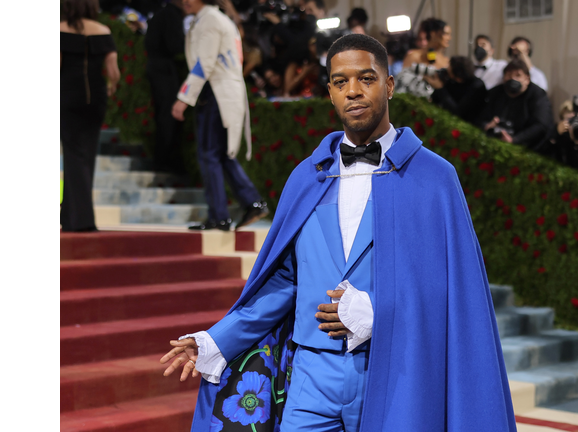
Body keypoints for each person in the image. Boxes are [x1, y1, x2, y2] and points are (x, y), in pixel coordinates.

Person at [160, 33, 517, 432]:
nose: (353, 91)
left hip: (395, 372)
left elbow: (454, 296)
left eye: (366, 78)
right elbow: (284, 282)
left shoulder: (434, 179)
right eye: (341, 81)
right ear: (329, 92)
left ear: (390, 85)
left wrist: (381, 313)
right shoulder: (306, 177)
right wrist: (218, 339)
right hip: (311, 377)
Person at [173, 0, 268, 231]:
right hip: (222, 90)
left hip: (216, 91)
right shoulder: (215, 18)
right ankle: (252, 203)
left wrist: (183, 98)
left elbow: (203, 64)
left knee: (209, 154)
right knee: (222, 154)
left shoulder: (210, 20)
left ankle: (219, 216)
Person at [61, 0, 120, 232]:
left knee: (73, 155)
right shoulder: (103, 30)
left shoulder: (60, 29)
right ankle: (69, 216)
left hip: (68, 96)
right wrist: (109, 87)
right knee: (87, 155)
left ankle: (82, 219)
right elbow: (114, 72)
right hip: (95, 99)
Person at [476, 56, 554, 155]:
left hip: (529, 148)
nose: (513, 78)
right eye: (509, 74)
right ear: (503, 78)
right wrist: (487, 126)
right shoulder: (495, 92)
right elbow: (480, 116)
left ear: (527, 79)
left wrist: (514, 139)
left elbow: (541, 125)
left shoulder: (538, 95)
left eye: (518, 75)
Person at [144, 0, 187, 175]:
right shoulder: (171, 15)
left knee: (164, 114)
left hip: (157, 67)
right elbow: (175, 45)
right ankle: (164, 160)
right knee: (168, 115)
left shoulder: (162, 13)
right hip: (163, 69)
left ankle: (163, 159)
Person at [425, 56, 487, 124]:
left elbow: (458, 112)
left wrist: (440, 88)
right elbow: (435, 100)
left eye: (449, 73)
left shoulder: (477, 86)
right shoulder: (452, 81)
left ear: (458, 78)